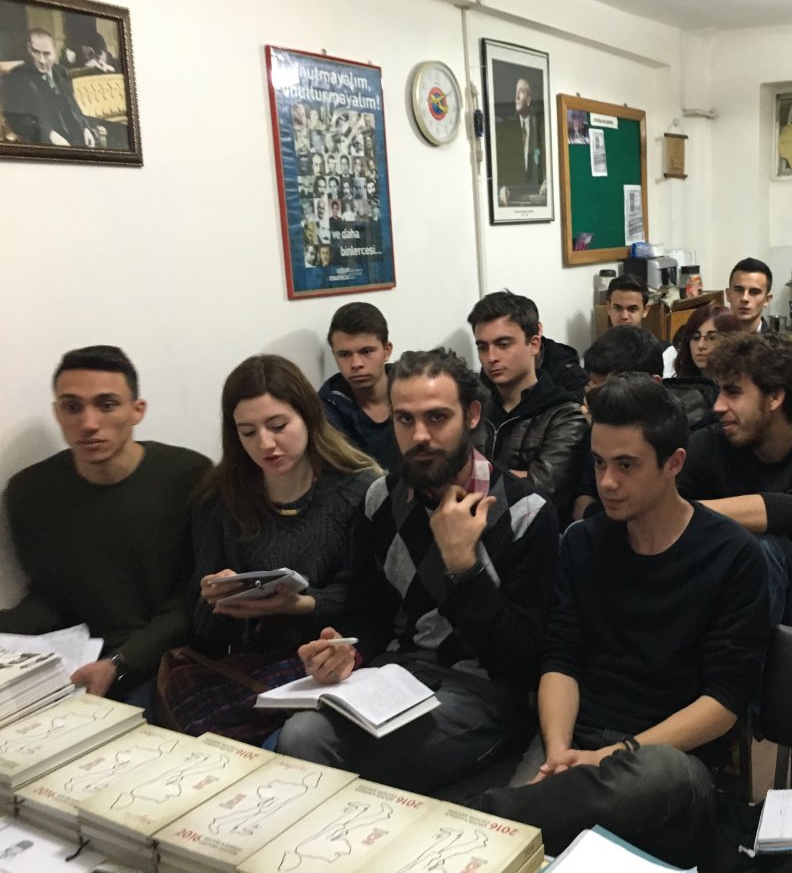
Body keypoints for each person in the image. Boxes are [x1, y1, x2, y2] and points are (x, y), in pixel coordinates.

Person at [473, 374, 769, 865]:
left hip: (671, 762)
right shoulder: (582, 542)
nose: (607, 481)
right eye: (598, 463)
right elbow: (561, 661)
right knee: (537, 832)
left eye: (626, 465)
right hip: (578, 744)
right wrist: (560, 751)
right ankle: (500, 828)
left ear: (674, 463)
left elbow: (722, 703)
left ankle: (478, 822)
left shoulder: (733, 555)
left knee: (652, 776)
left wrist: (610, 756)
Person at [275, 349, 559, 793]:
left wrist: (463, 567)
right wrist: (348, 652)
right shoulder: (380, 500)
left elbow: (521, 661)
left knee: (356, 757)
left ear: (471, 416)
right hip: (396, 676)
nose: (420, 435)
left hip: (484, 691)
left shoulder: (526, 513)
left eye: (437, 417)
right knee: (300, 734)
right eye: (404, 420)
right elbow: (368, 611)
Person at [1, 346, 210, 705]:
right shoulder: (30, 491)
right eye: (72, 407)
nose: (88, 423)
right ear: (57, 413)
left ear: (137, 410)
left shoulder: (189, 476)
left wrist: (122, 662)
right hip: (79, 662)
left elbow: (197, 597)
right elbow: (52, 598)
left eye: (107, 405)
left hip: (172, 659)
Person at [189, 356, 378, 682]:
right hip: (248, 667)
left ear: (308, 417)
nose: (265, 444)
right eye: (248, 432)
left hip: (337, 661)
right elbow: (200, 626)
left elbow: (372, 602)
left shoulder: (358, 488)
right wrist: (214, 597)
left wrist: (300, 603)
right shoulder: (220, 497)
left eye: (278, 427)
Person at [678, 332, 792, 627]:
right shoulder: (711, 442)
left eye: (733, 392)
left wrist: (682, 512)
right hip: (728, 593)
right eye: (719, 391)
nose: (718, 406)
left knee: (760, 546)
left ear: (775, 397)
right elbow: (663, 507)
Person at [469, 291, 588, 525]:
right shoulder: (474, 409)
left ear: (534, 344)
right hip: (472, 530)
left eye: (503, 344)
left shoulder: (565, 413)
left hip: (537, 536)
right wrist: (519, 475)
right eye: (482, 347)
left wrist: (475, 475)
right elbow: (447, 476)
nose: (491, 357)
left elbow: (542, 491)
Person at [572, 325, 669, 521]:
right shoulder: (596, 425)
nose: (599, 403)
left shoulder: (683, 433)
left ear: (654, 384)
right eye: (593, 391)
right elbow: (581, 503)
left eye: (610, 391)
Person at [318, 302, 398, 471]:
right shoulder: (326, 411)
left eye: (366, 351)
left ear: (387, 351)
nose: (356, 364)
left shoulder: (415, 391)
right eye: (344, 354)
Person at [1, 28, 94, 147]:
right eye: (36, 52)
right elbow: (15, 119)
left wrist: (85, 127)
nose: (41, 60)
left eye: (46, 53)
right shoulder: (16, 77)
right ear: (29, 49)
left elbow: (74, 106)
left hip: (75, 139)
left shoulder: (62, 72)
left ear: (55, 51)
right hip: (43, 144)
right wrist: (49, 135)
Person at [495, 77, 546, 206]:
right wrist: (502, 186)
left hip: (537, 195)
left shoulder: (540, 126)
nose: (517, 96)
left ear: (528, 100)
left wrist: (547, 180)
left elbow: (547, 159)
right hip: (513, 195)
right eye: (516, 92)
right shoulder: (506, 128)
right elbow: (500, 164)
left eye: (521, 92)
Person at [672, 304, 739, 379]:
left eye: (712, 338)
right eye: (696, 337)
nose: (700, 345)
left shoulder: (744, 383)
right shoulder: (679, 384)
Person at [726, 258, 774, 333]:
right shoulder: (714, 339)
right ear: (728, 295)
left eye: (754, 292)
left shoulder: (777, 341)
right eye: (739, 290)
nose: (744, 298)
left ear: (767, 300)